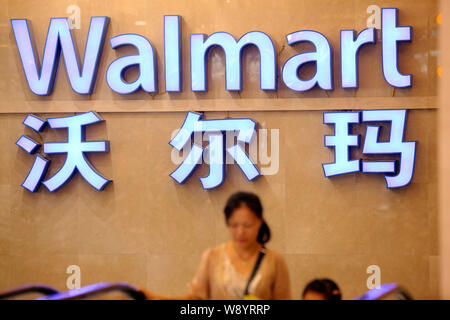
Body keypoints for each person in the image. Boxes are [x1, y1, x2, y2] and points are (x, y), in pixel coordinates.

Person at [143, 191, 291, 300]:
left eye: (247, 225)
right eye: (234, 225)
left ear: (260, 222)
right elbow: (195, 300)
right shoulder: (213, 256)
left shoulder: (275, 261)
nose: (240, 232)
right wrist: (155, 298)